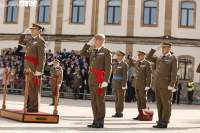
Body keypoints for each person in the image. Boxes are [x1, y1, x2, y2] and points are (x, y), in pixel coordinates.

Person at [80, 34, 112, 128]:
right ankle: (95, 120)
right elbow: (82, 53)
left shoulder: (106, 52)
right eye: (94, 40)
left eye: (96, 39)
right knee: (93, 101)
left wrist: (106, 80)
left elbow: (108, 68)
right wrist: (88, 44)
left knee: (100, 101)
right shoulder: (93, 51)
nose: (94, 41)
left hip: (100, 80)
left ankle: (100, 121)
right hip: (92, 79)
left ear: (101, 41)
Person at [146, 42, 178, 128]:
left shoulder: (172, 58)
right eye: (162, 48)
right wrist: (155, 49)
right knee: (159, 103)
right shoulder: (159, 57)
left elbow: (174, 73)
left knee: (166, 103)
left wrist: (172, 84)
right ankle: (160, 120)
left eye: (164, 48)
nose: (163, 49)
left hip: (166, 85)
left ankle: (165, 121)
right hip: (157, 84)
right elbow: (147, 57)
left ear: (169, 48)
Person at [18, 23, 46, 112]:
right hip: (28, 68)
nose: (32, 31)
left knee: (34, 88)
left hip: (34, 69)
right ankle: (28, 105)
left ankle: (33, 107)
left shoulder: (40, 41)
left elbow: (42, 57)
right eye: (31, 29)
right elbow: (20, 42)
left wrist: (39, 70)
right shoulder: (30, 40)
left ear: (39, 31)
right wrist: (23, 33)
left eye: (34, 29)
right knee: (28, 88)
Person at [127, 51, 152, 120]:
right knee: (138, 100)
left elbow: (149, 75)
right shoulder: (137, 62)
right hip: (136, 84)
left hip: (143, 85)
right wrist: (130, 58)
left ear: (144, 55)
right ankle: (140, 114)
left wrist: (148, 85)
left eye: (140, 55)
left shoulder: (147, 63)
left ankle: (144, 115)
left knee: (143, 100)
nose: (139, 56)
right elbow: (130, 64)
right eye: (138, 55)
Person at [111, 51, 128, 118]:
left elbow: (125, 76)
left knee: (120, 100)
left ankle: (120, 112)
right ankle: (117, 112)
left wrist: (124, 85)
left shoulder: (124, 64)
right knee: (117, 99)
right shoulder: (115, 64)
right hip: (115, 84)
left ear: (122, 57)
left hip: (121, 85)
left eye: (119, 56)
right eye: (117, 56)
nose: (118, 57)